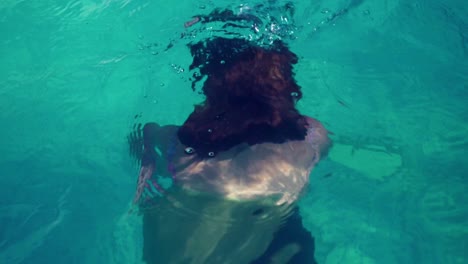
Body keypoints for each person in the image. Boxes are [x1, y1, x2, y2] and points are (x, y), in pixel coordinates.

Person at [128, 36, 330, 263]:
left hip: (187, 249)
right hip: (272, 243)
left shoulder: (180, 145)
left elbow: (145, 133)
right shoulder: (311, 136)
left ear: (213, 87)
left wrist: (148, 156)